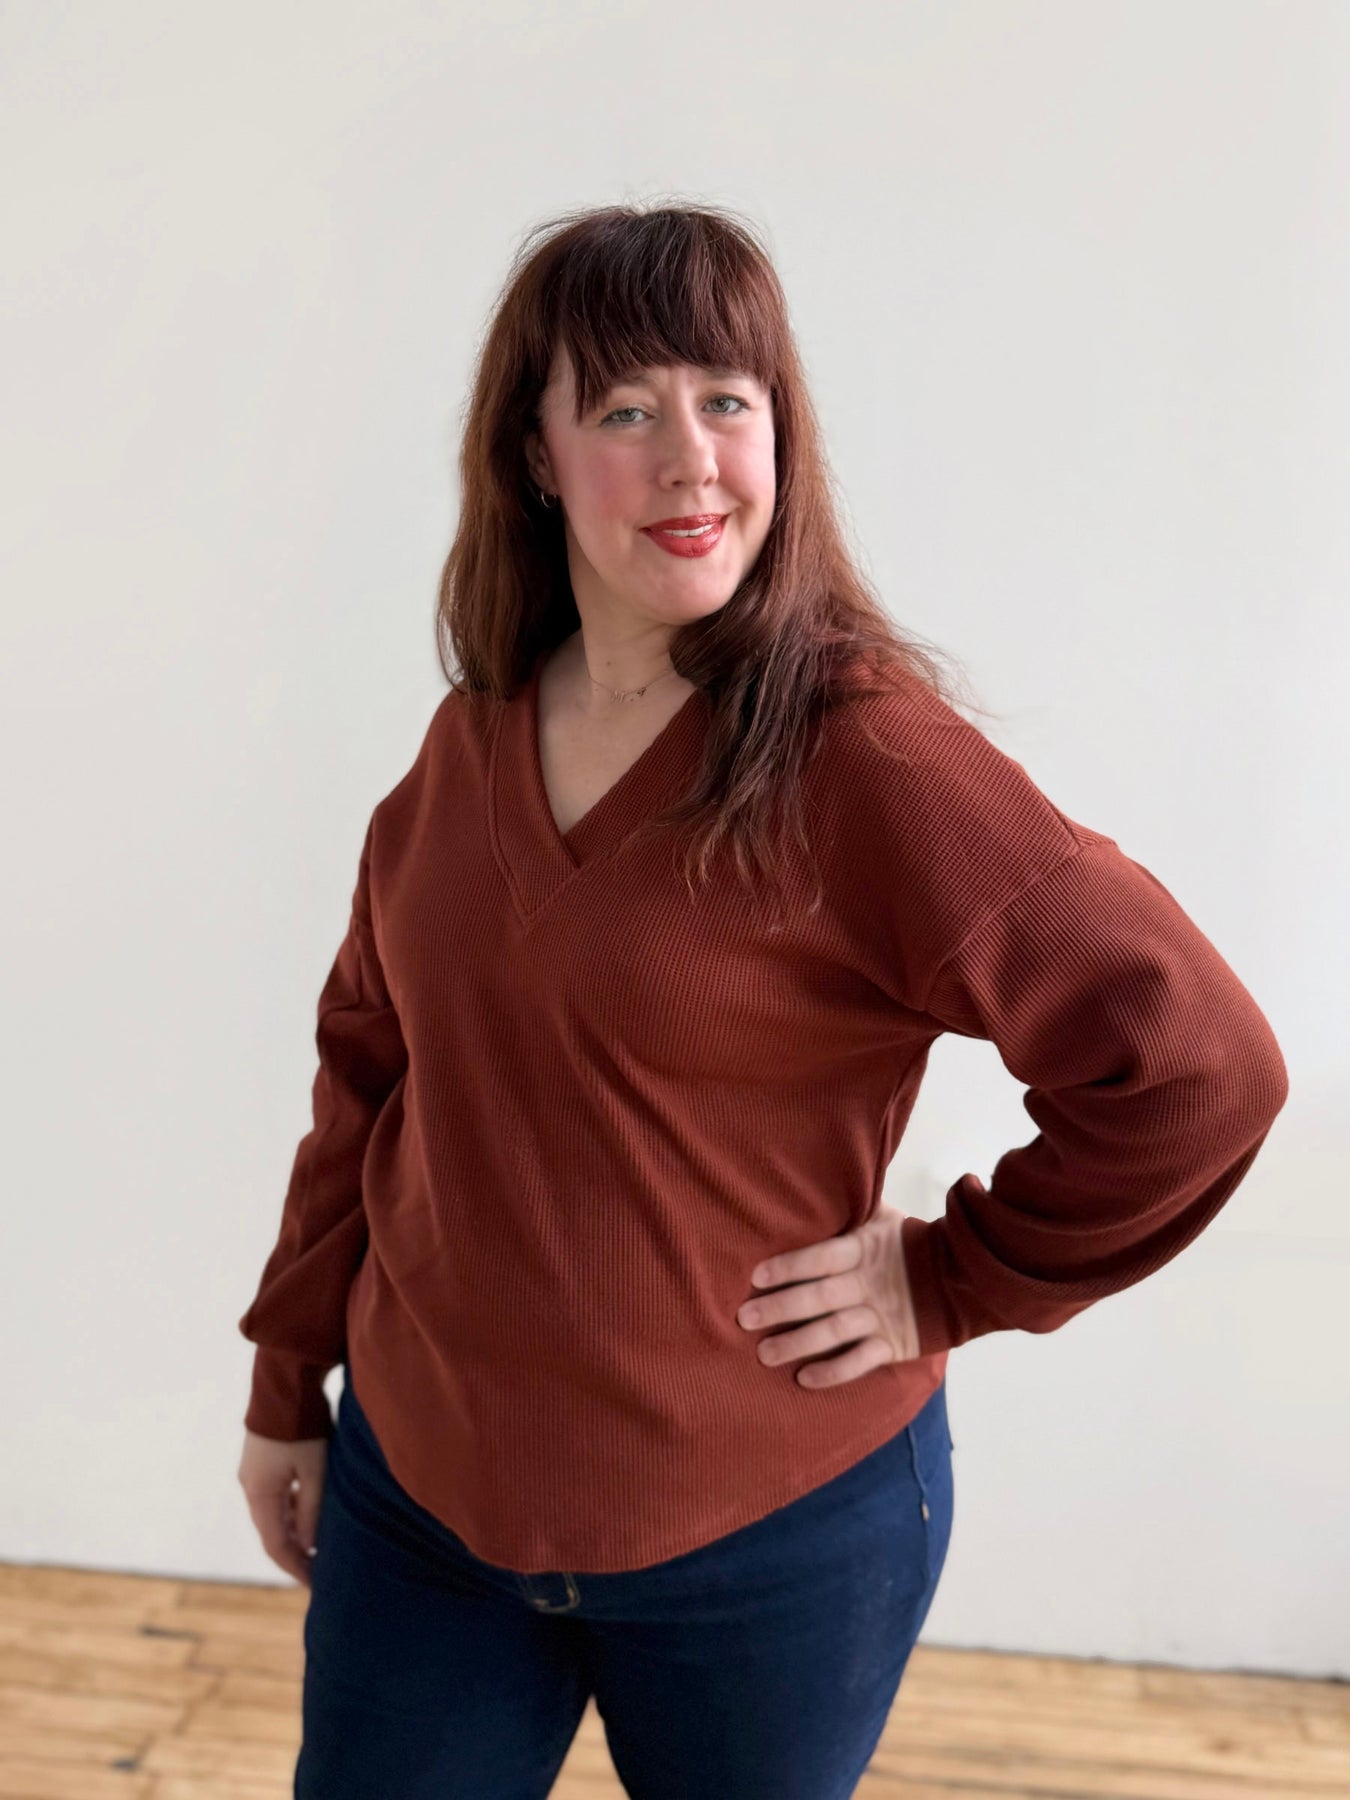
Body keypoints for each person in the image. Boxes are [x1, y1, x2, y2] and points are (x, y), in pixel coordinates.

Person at [235, 201, 1288, 1800]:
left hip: (767, 1543)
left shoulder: (866, 758)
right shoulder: (468, 744)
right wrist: (284, 1384)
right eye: (623, 410)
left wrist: (954, 1276)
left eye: (728, 400)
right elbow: (365, 1085)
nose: (691, 462)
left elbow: (1198, 1068)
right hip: (422, 1500)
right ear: (533, 454)